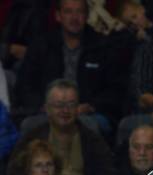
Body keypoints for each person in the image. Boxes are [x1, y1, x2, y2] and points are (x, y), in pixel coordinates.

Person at [7, 79, 116, 175]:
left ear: (78, 108)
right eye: (59, 105)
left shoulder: (92, 139)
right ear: (47, 108)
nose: (65, 110)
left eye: (71, 105)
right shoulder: (32, 137)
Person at [13, 0, 120, 134]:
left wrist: (91, 106)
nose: (74, 17)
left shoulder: (104, 46)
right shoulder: (41, 45)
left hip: (88, 113)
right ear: (58, 16)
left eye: (79, 11)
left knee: (89, 125)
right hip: (46, 111)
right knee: (29, 125)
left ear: (87, 15)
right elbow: (25, 85)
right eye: (68, 12)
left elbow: (115, 90)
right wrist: (44, 106)